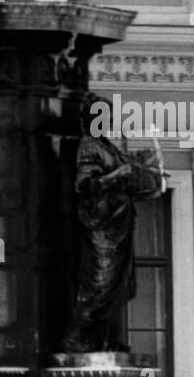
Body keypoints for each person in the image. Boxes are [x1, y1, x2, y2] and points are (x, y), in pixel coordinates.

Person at [63, 98, 166, 353]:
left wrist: (144, 163)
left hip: (119, 222)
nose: (107, 121)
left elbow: (129, 167)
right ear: (90, 119)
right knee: (102, 280)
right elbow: (84, 185)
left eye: (108, 117)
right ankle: (78, 335)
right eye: (102, 116)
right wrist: (119, 175)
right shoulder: (89, 146)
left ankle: (105, 340)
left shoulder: (107, 146)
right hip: (102, 224)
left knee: (119, 282)